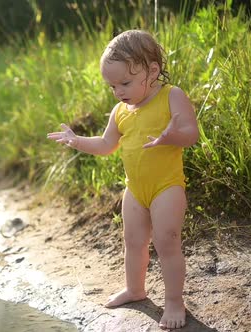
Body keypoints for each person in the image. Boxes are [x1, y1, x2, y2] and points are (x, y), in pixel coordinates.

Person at [47, 29, 199, 330]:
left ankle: (174, 302)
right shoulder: (120, 111)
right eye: (112, 85)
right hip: (135, 189)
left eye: (125, 83)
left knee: (166, 241)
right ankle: (135, 289)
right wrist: (76, 140)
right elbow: (106, 145)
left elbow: (191, 135)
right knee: (133, 241)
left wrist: (172, 136)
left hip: (166, 187)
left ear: (152, 70)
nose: (118, 91)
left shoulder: (172, 96)